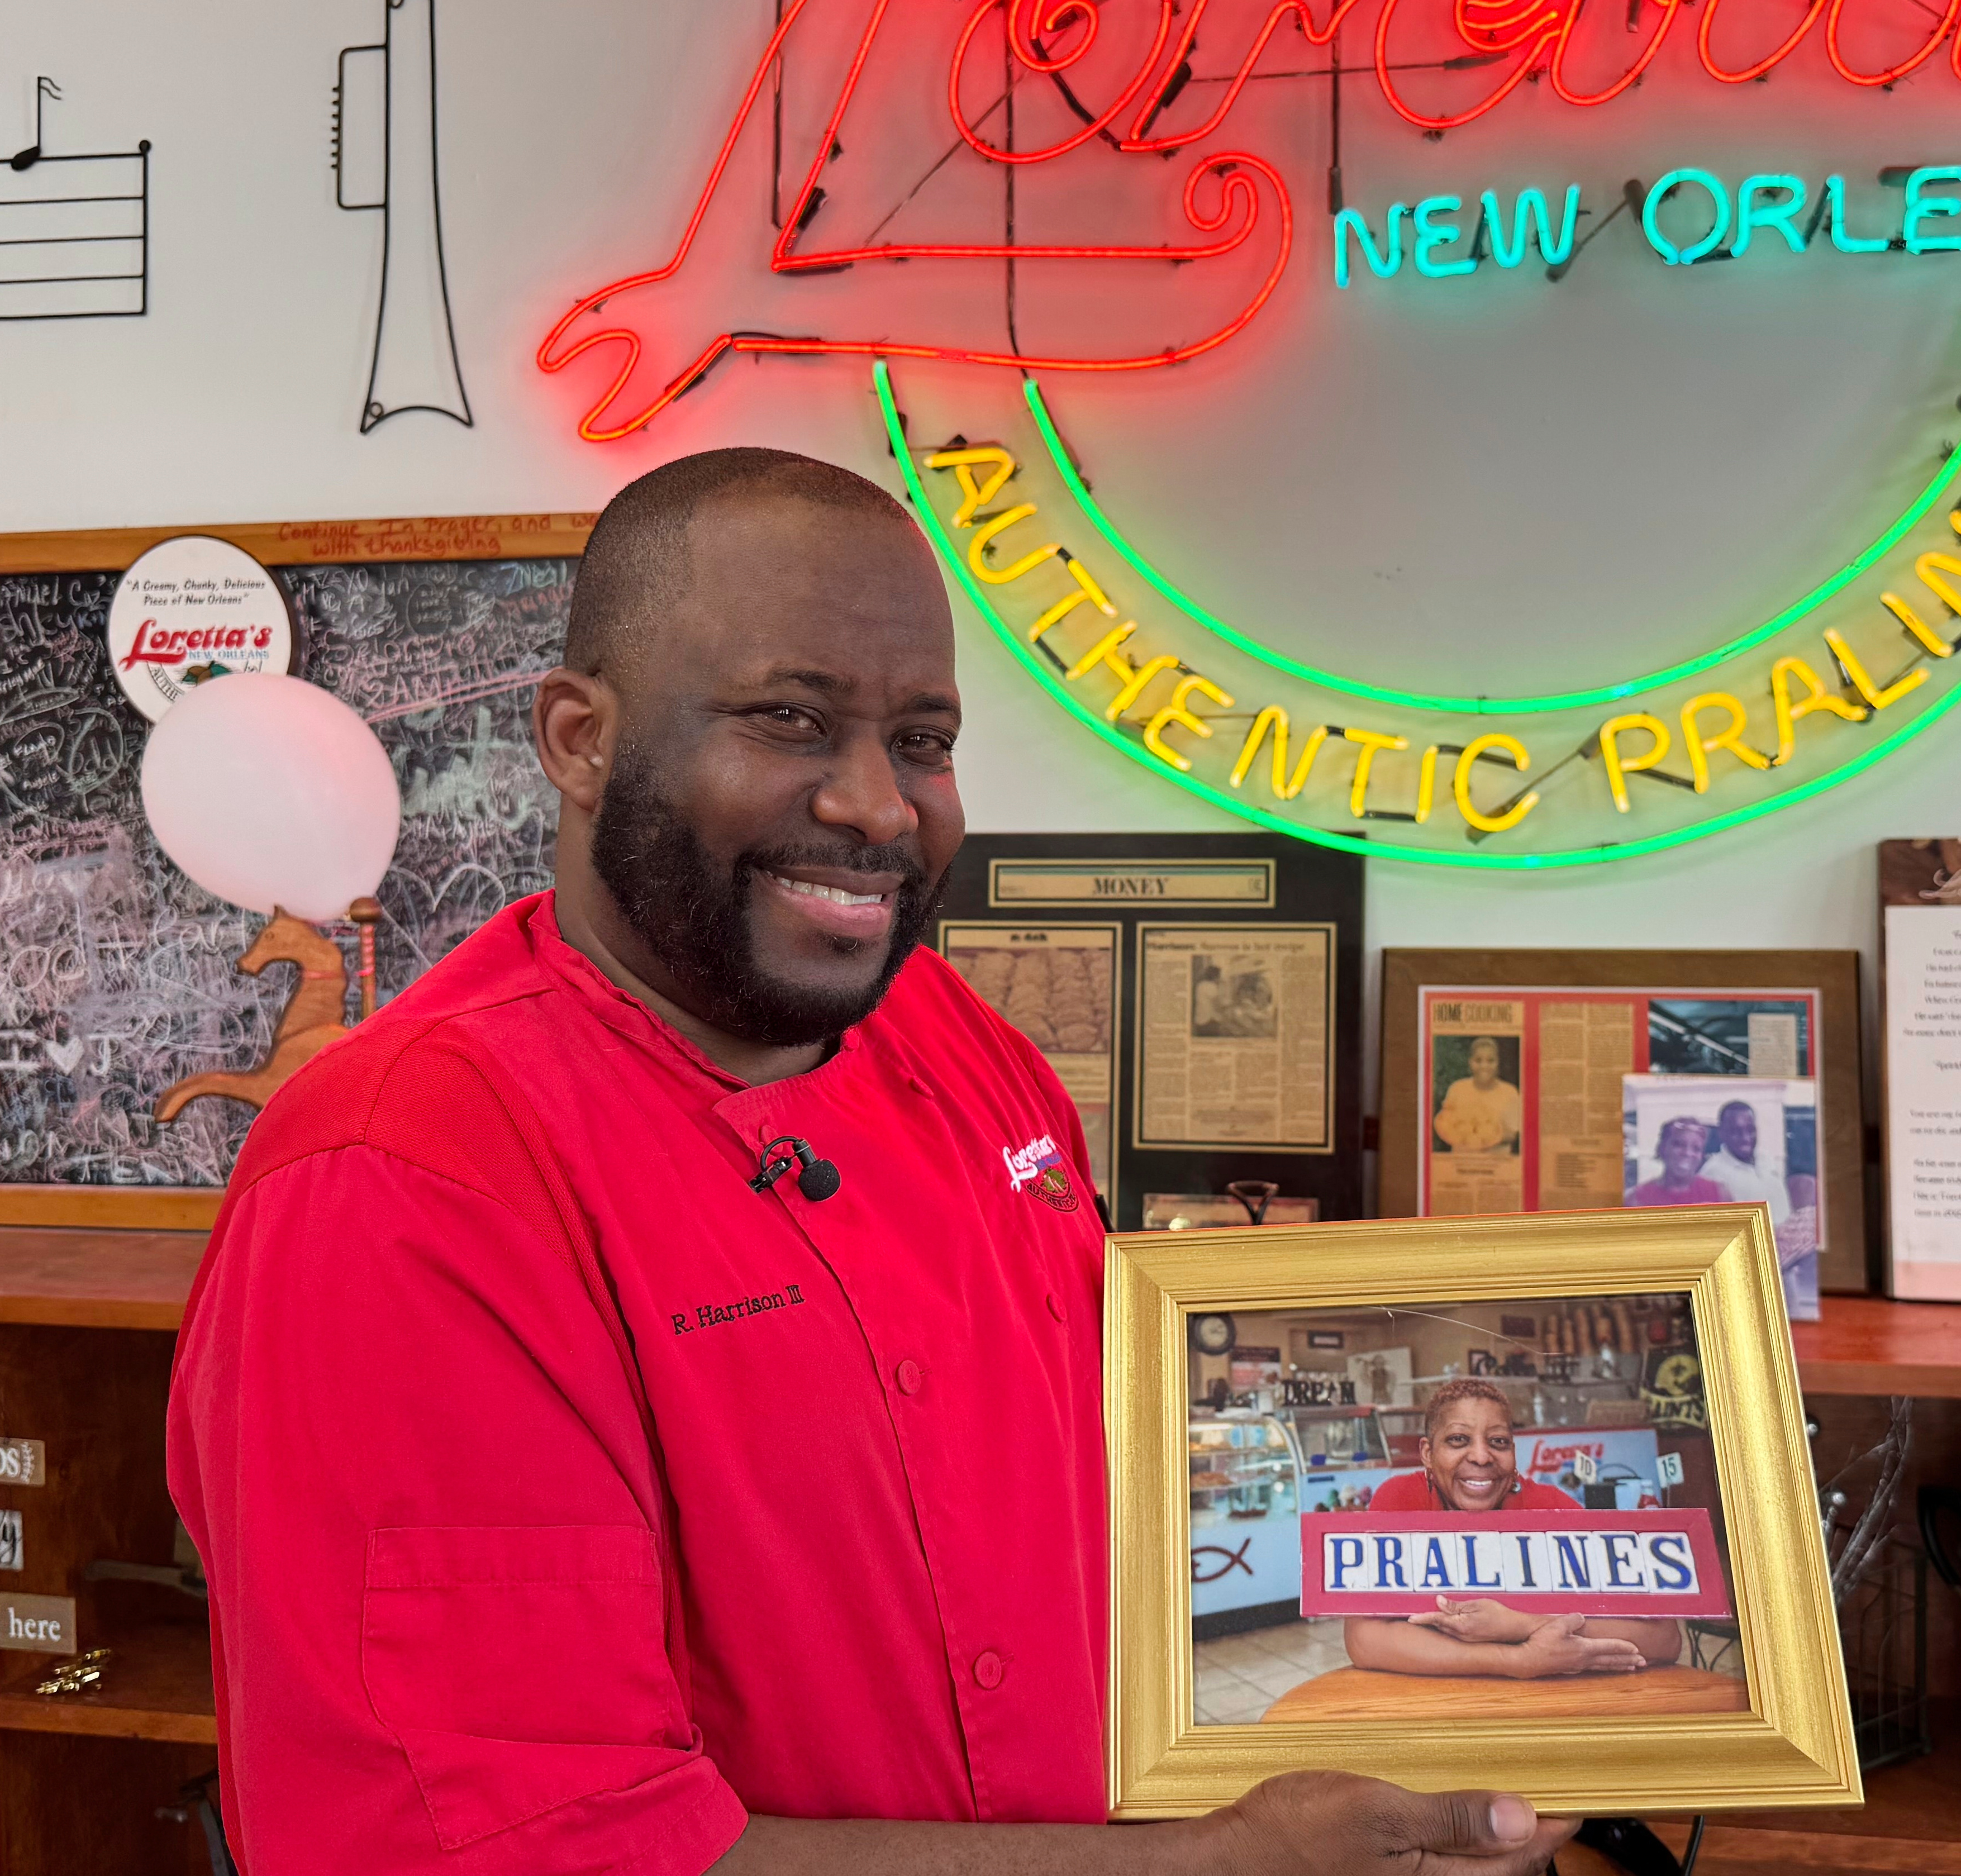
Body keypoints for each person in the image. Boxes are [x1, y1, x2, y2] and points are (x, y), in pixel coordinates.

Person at [166, 450, 1573, 1876]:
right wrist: (1214, 1867)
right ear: (580, 738)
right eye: (791, 718)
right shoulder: (401, 1180)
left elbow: (1114, 1504)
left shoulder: (960, 1044)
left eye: (922, 737)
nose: (881, 806)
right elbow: (537, 1848)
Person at [1342, 1380, 1685, 1680]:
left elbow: (1665, 1638)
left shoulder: (1551, 1507)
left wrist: (1520, 1623)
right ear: (1428, 1453)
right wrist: (1518, 1659)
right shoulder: (1402, 1498)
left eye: (1499, 1442)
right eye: (1459, 1440)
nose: (1481, 1456)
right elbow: (1362, 1640)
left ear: (1514, 1452)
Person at [1432, 1037, 1522, 1154]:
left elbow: (1513, 1134)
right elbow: (1446, 1123)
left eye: (1491, 1061)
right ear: (1470, 1062)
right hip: (1462, 1163)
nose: (1484, 1066)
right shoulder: (1457, 1089)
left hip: (1497, 1164)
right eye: (1478, 1060)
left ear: (1498, 1063)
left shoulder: (1510, 1092)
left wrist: (1485, 1137)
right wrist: (1463, 1133)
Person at [1625, 1116, 1728, 1207]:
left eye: (1696, 1148)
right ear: (1662, 1148)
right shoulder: (1636, 1199)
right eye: (1679, 1145)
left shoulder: (1719, 1193)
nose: (1688, 1153)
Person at [1696, 1100, 1764, 1195]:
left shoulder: (1766, 1160)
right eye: (1737, 1131)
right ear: (1722, 1133)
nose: (1746, 1138)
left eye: (1751, 1130)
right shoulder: (1712, 1175)